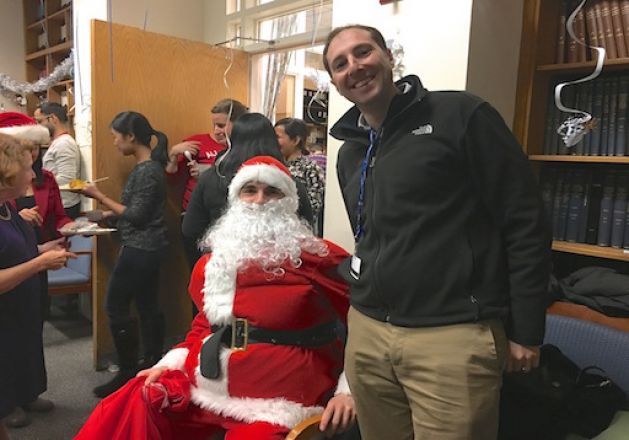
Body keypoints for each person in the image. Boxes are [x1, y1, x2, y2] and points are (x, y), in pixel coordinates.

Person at [323, 25, 552, 440]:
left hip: (452, 336)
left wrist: (527, 329)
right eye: (340, 64)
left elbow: (525, 221)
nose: (354, 67)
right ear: (335, 83)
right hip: (369, 335)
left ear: (389, 56)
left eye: (363, 52)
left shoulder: (460, 116)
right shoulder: (350, 149)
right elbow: (370, 235)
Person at [76, 155, 355, 440]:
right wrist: (168, 364)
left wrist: (349, 391)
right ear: (236, 199)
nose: (259, 200)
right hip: (211, 384)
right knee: (137, 398)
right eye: (250, 190)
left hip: (280, 398)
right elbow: (204, 325)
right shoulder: (215, 263)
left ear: (290, 201)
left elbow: (363, 326)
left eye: (272, 191)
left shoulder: (320, 258)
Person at [74, 111, 169, 398]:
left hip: (141, 247)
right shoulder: (147, 169)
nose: (114, 143)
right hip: (148, 246)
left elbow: (138, 216)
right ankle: (151, 360)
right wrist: (103, 214)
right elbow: (138, 211)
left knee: (116, 306)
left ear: (130, 137)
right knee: (147, 304)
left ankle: (128, 369)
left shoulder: (148, 170)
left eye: (116, 137)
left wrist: (98, 195)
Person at [0, 133, 76, 436]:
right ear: (7, 174)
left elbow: (14, 252)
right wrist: (40, 264)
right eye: (27, 168)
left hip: (20, 308)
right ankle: (8, 404)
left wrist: (45, 250)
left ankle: (23, 396)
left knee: (26, 348)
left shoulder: (9, 209)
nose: (33, 175)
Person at [182, 112, 313, 267]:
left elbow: (190, 229)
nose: (259, 198)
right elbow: (306, 228)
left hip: (224, 269)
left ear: (233, 139)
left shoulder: (211, 178)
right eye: (250, 191)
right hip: (282, 272)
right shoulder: (289, 182)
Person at [1, 112, 75, 322]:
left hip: (31, 265)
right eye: (25, 148)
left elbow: (60, 216)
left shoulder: (45, 179)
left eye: (35, 148)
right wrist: (39, 261)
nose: (32, 155)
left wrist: (70, 229)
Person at [165, 99, 248, 268]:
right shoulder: (196, 143)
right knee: (198, 269)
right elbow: (171, 179)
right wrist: (173, 154)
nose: (217, 131)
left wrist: (208, 173)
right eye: (214, 125)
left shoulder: (245, 150)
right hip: (195, 213)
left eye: (222, 125)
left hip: (227, 216)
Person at [34, 102, 82, 219]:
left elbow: (67, 179)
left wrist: (38, 186)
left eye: (40, 121)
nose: (37, 126)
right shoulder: (58, 143)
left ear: (53, 119)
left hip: (64, 205)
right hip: (60, 203)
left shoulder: (64, 144)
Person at [274, 118, 326, 217]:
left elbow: (314, 206)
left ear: (295, 140)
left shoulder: (311, 168)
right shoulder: (275, 166)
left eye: (277, 137)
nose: (273, 141)